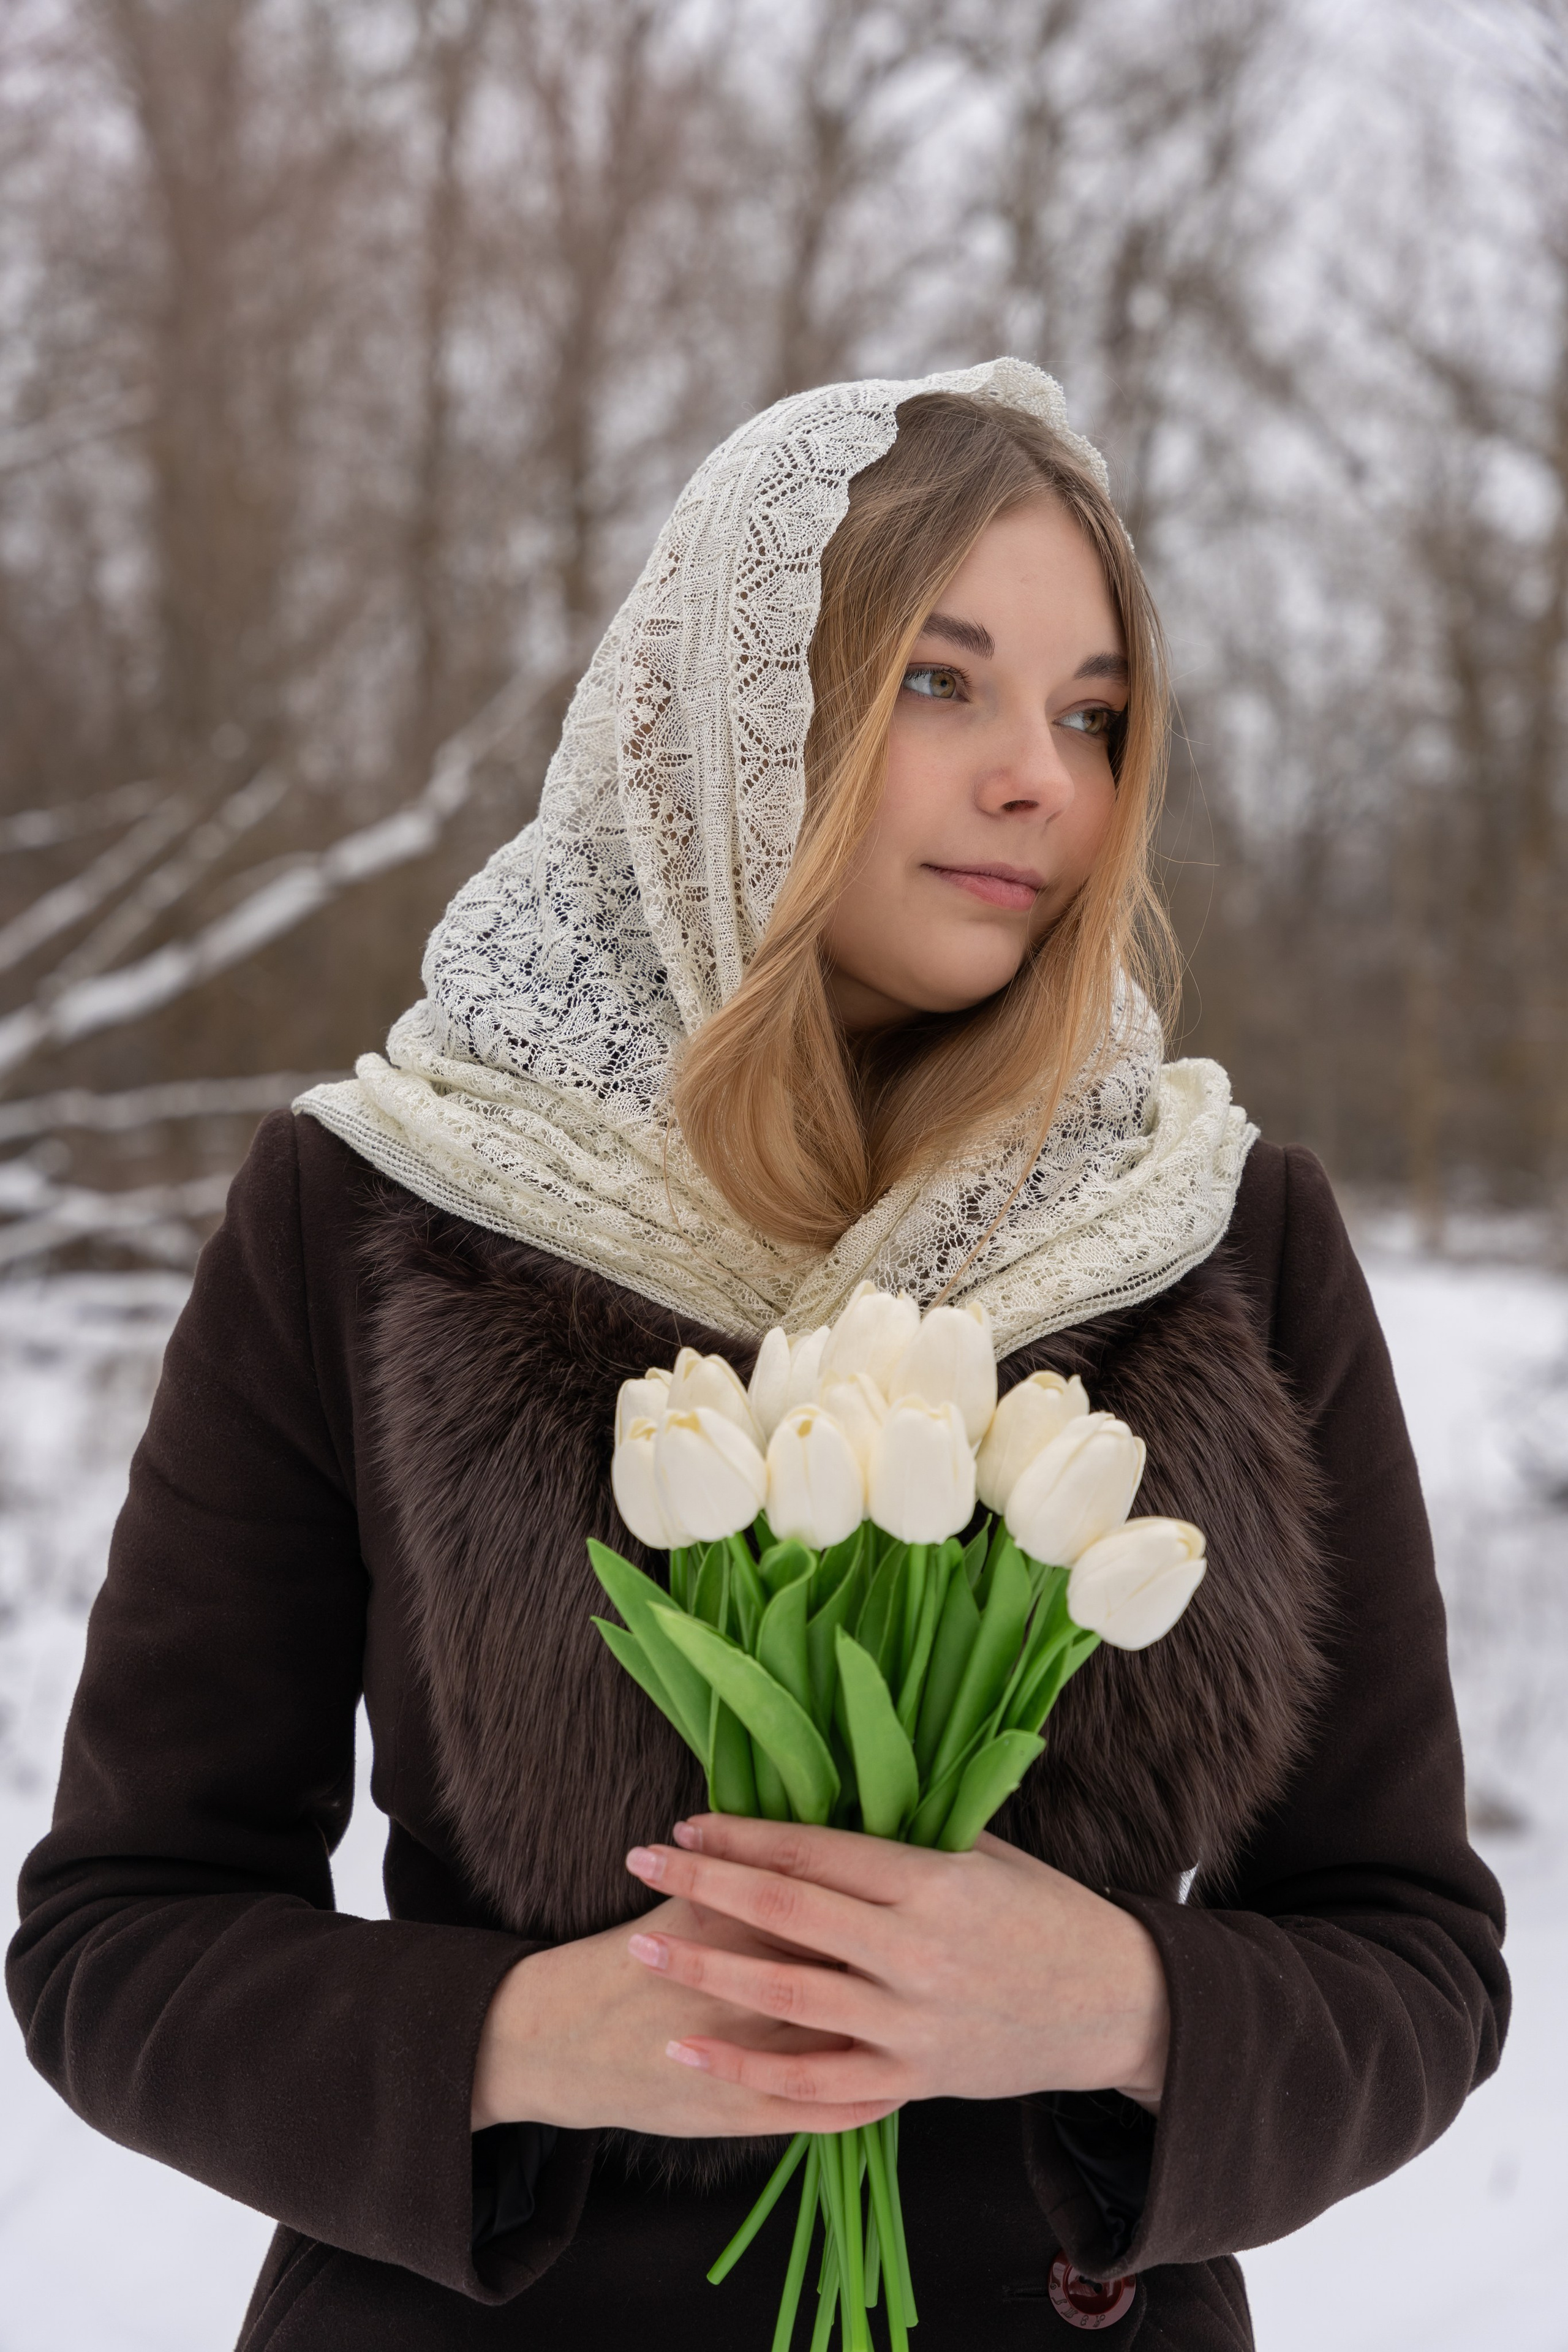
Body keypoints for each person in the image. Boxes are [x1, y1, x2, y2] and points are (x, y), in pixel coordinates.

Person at [7, 360, 1506, 2351]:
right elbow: (123, 1938)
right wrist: (532, 2040)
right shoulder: (369, 1207)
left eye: (1092, 716)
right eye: (939, 683)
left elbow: (1413, 1963)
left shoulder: (1226, 1237)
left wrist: (1116, 2008)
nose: (1040, 780)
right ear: (728, 721)